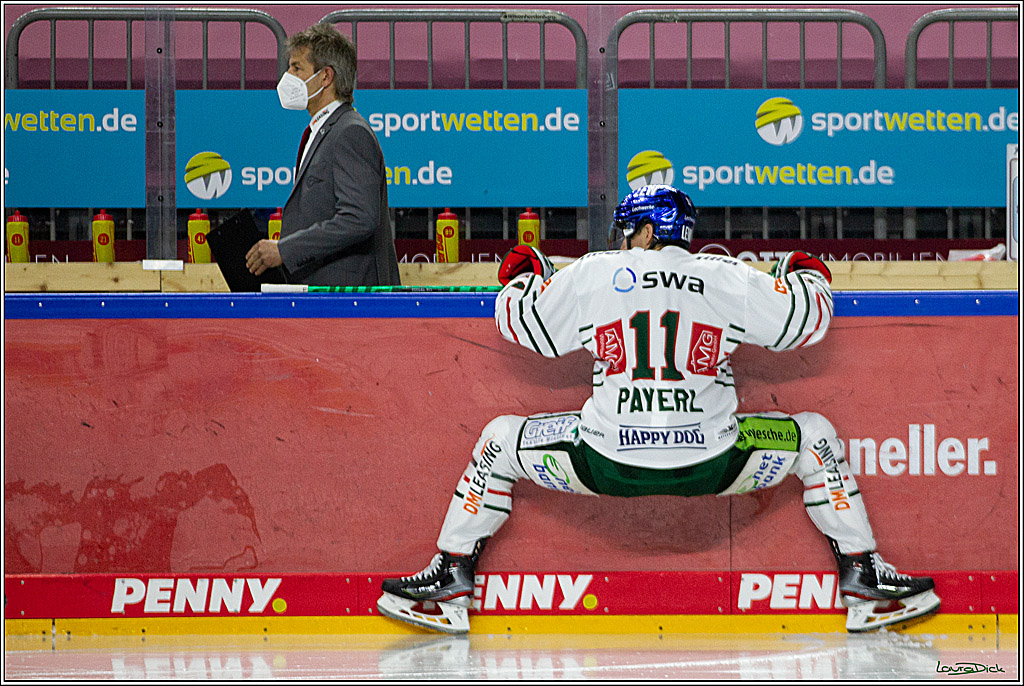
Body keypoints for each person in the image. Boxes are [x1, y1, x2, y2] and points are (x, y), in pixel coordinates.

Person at [376, 184, 940, 635]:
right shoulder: (724, 275)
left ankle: (451, 580)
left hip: (603, 463)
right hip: (717, 464)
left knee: (500, 439)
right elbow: (806, 321)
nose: (622, 241)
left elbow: (523, 325)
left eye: (627, 230)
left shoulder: (596, 271)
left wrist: (527, 277)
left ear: (646, 231)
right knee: (814, 435)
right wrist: (803, 272)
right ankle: (863, 580)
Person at [246, 23, 401, 287]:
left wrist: (285, 250)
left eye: (296, 68)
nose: (287, 77)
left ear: (325, 77)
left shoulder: (350, 133)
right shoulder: (324, 131)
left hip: (349, 299)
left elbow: (359, 218)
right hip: (325, 293)